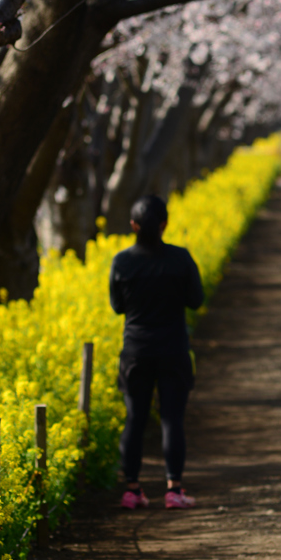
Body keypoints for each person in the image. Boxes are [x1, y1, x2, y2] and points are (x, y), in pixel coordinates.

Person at [109, 194, 204, 510]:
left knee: (135, 419)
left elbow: (117, 306)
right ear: (165, 224)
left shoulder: (122, 262)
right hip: (173, 350)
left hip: (135, 351)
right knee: (171, 420)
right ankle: (174, 490)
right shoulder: (180, 259)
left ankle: (132, 491)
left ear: (133, 225)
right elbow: (196, 300)